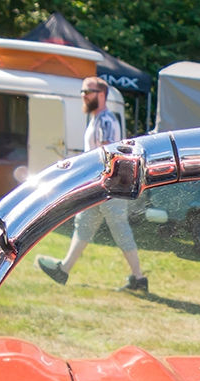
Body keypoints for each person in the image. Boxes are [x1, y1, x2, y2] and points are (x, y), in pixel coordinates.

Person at [37, 77, 146, 293]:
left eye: (88, 91)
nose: (83, 95)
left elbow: (107, 154)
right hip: (101, 184)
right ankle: (64, 269)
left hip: (110, 185)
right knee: (84, 224)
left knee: (119, 229)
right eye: (83, 91)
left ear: (102, 94)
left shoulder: (105, 121)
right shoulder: (97, 119)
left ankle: (139, 278)